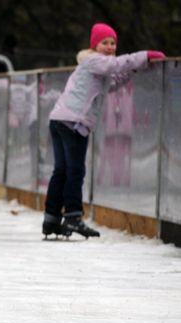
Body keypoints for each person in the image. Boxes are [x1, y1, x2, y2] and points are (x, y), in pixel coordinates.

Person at [42, 23, 165, 238]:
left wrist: (135, 69)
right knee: (75, 171)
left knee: (61, 171)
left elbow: (114, 81)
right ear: (94, 45)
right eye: (104, 43)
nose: (110, 47)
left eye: (113, 43)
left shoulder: (94, 65)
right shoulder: (95, 61)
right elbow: (118, 64)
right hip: (73, 122)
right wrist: (145, 56)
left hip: (60, 118)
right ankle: (72, 217)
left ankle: (51, 220)